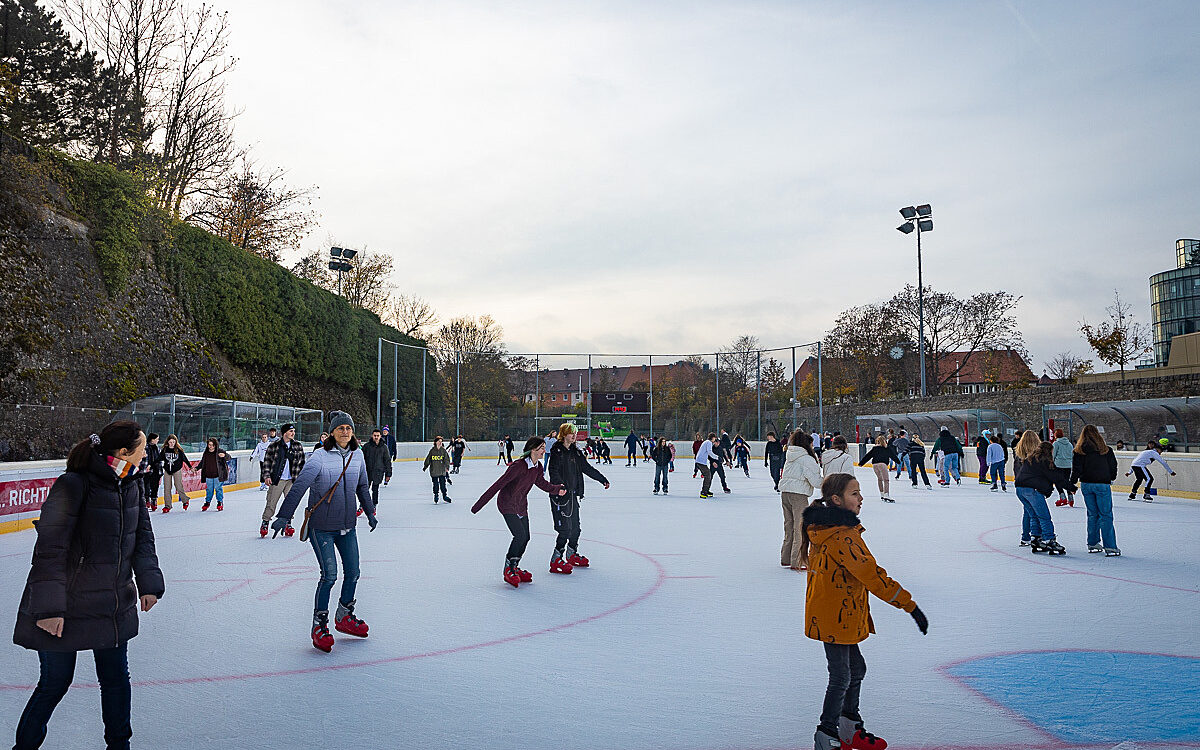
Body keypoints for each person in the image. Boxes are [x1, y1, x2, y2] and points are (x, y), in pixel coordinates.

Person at [12, 421, 164, 750]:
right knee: (55, 682)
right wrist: (49, 608)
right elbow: (50, 550)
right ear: (123, 452)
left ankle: (119, 746)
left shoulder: (132, 484)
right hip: (64, 603)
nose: (144, 455)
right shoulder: (74, 484)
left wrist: (149, 583)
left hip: (111, 604)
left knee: (116, 682)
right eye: (140, 450)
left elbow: (142, 540)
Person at [801, 473, 927, 750]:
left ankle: (848, 726)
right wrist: (910, 606)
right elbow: (873, 577)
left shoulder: (828, 527)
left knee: (855, 668)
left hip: (838, 613)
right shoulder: (842, 536)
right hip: (835, 615)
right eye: (854, 494)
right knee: (842, 675)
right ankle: (826, 733)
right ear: (837, 500)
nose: (861, 499)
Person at [272, 411, 378, 653]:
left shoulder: (357, 456)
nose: (345, 432)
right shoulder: (319, 457)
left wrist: (370, 512)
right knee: (329, 575)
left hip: (347, 526)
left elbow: (362, 486)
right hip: (322, 528)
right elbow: (300, 486)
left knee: (353, 572)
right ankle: (319, 625)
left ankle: (344, 616)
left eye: (348, 428)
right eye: (340, 428)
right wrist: (284, 515)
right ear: (332, 432)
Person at [471, 437, 566, 587]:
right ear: (533, 449)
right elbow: (498, 485)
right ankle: (508, 568)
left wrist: (556, 489)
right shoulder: (518, 466)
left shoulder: (537, 466)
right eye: (541, 448)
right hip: (507, 504)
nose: (544, 450)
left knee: (526, 537)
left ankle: (515, 566)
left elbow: (541, 483)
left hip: (521, 505)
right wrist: (478, 505)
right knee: (519, 535)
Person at [547, 424, 610, 571]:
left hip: (574, 495)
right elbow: (553, 471)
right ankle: (556, 558)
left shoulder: (576, 451)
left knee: (576, 528)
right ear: (563, 434)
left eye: (575, 433)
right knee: (565, 529)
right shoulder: (557, 450)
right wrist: (559, 486)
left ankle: (571, 553)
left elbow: (587, 468)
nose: (574, 435)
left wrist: (602, 479)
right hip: (561, 496)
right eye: (571, 433)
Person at [1071, 425, 1121, 556]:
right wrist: (1111, 477)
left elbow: (1076, 469)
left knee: (1092, 514)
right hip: (1102, 484)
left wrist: (1072, 484)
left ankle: (1092, 543)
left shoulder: (1079, 451)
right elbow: (1113, 466)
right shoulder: (1106, 450)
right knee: (1106, 515)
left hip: (1087, 485)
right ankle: (1110, 546)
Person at [1013, 431, 1066, 554]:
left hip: (1021, 486)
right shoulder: (1037, 455)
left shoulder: (1019, 452)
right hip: (1034, 487)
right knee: (1041, 515)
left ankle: (1031, 537)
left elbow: (1017, 469)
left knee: (1030, 513)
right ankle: (1047, 538)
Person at [779, 431, 823, 570]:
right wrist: (828, 481)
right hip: (798, 495)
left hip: (785, 493)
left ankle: (786, 557)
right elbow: (816, 481)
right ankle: (797, 560)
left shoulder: (790, 455)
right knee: (800, 527)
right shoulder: (806, 459)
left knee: (789, 526)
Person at [260, 423, 306, 538]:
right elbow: (267, 462)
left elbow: (302, 463)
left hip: (292, 480)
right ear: (285, 432)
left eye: (294, 431)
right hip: (277, 479)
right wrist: (267, 476)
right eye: (291, 431)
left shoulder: (297, 446)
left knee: (290, 503)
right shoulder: (274, 446)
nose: (293, 433)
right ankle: (265, 522)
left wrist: (301, 478)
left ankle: (287, 523)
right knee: (271, 502)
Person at [858, 436, 898, 502]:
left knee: (880, 479)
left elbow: (868, 456)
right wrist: (898, 461)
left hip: (875, 465)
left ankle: (882, 494)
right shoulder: (886, 448)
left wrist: (861, 463)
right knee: (886, 480)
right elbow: (893, 456)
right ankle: (886, 495)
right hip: (882, 464)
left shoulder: (875, 448)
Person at [158, 434, 191, 512]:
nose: (172, 444)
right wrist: (151, 464)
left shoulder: (178, 450)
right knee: (167, 488)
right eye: (170, 442)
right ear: (168, 442)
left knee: (178, 486)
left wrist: (190, 467)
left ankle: (185, 500)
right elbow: (159, 458)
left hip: (177, 470)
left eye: (173, 442)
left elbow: (185, 459)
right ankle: (167, 505)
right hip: (167, 470)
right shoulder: (165, 450)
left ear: (175, 442)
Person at [199, 437, 230, 512]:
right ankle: (207, 502)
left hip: (218, 475)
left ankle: (220, 502)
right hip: (208, 475)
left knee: (218, 489)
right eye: (209, 445)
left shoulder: (219, 451)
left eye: (212, 445)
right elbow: (202, 462)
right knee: (209, 490)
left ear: (215, 445)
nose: (211, 447)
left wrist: (224, 455)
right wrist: (196, 468)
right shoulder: (206, 453)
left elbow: (229, 457)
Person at [363, 428, 393, 506]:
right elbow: (361, 459)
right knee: (365, 489)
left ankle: (374, 505)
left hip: (378, 472)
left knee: (375, 489)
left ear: (380, 436)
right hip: (367, 472)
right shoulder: (367, 446)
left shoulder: (384, 447)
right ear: (372, 436)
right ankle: (362, 504)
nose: (376, 437)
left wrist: (388, 473)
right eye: (374, 435)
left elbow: (387, 460)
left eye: (377, 436)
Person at [422, 436, 452, 504]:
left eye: (441, 442)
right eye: (439, 441)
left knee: (443, 485)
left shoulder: (443, 451)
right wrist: (425, 466)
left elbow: (447, 459)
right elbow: (428, 459)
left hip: (442, 471)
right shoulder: (432, 451)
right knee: (435, 484)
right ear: (435, 442)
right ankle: (436, 495)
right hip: (434, 471)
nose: (440, 443)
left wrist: (447, 467)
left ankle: (445, 496)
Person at [1051, 428, 1076, 507]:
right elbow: (1072, 455)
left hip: (1059, 465)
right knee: (1066, 481)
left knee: (1058, 481)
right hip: (1068, 465)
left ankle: (1062, 497)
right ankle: (1070, 498)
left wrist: (1051, 463)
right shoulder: (1069, 444)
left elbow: (1053, 455)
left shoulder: (1056, 444)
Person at [140, 433, 163, 511]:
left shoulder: (158, 448)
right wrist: (145, 467)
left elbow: (159, 459)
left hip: (156, 470)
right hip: (146, 470)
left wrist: (160, 469)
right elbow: (142, 459)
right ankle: (147, 500)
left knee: (155, 486)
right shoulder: (145, 447)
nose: (158, 440)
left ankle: (153, 500)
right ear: (152, 439)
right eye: (157, 439)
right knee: (146, 485)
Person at [695, 433, 722, 499]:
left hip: (700, 461)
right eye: (715, 438)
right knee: (708, 475)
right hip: (700, 461)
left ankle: (706, 490)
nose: (715, 439)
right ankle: (704, 492)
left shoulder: (707, 442)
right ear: (713, 438)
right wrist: (717, 457)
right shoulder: (709, 442)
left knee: (708, 475)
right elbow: (709, 452)